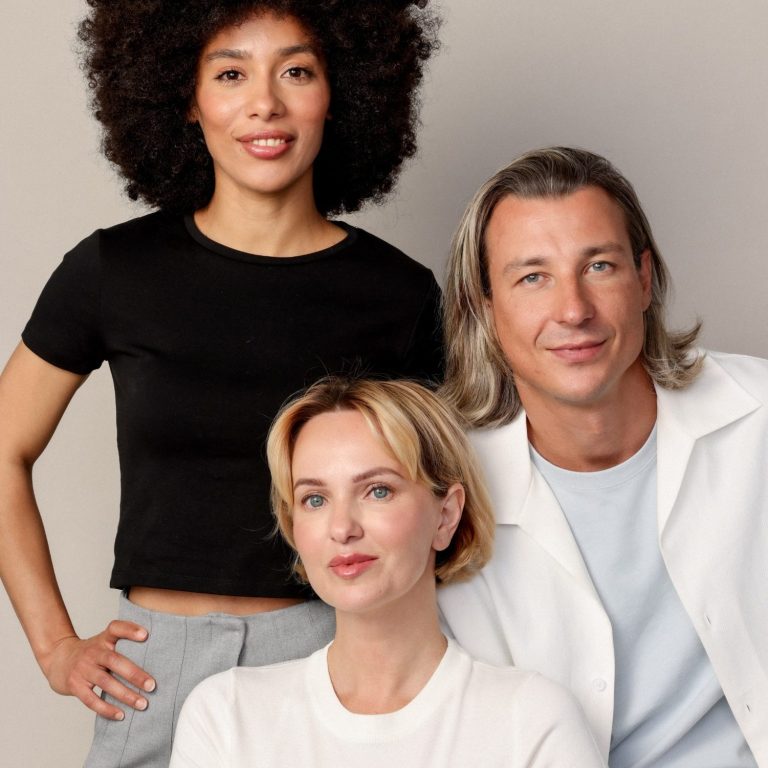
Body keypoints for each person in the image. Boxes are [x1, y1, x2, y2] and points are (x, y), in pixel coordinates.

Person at [0, 2, 443, 765]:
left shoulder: (398, 295)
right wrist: (54, 647)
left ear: (339, 91)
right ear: (186, 96)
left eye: (296, 71)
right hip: (153, 669)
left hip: (332, 658)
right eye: (231, 74)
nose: (264, 103)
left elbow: (441, 500)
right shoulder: (114, 271)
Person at [437, 146, 767, 767]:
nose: (573, 310)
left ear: (644, 279)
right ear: (485, 306)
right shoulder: (442, 493)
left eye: (599, 266)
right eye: (532, 277)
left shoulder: (759, 418)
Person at [169, 377, 605, 767]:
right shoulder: (226, 715)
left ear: (446, 516)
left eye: (377, 491)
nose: (342, 528)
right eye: (315, 499)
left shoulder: (530, 721)